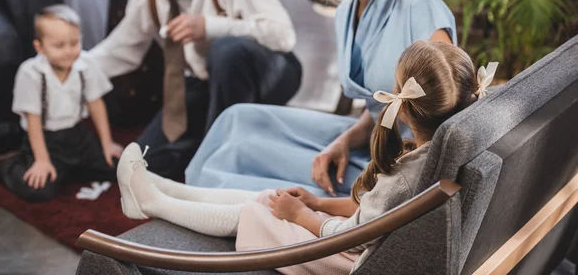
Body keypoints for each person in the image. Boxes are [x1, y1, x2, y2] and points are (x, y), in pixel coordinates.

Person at [117, 40, 496, 274]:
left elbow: (355, 235)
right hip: (354, 242)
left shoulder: (407, 177)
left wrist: (303, 217)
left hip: (339, 259)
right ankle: (160, 188)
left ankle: (152, 202)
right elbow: (375, 215)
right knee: (271, 197)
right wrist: (316, 203)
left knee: (255, 211)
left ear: (405, 106)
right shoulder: (441, 152)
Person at [185, 0, 456, 197]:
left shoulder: (417, 4)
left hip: (402, 162)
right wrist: (341, 142)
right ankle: (185, 195)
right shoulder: (347, 11)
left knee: (247, 159)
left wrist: (388, 181)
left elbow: (446, 119)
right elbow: (379, 112)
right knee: (238, 119)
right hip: (370, 137)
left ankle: (188, 204)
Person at [88, 0, 302, 180]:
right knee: (145, 167)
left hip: (269, 72)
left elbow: (283, 37)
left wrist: (211, 26)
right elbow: (120, 50)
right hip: (204, 82)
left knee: (228, 51)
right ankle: (209, 148)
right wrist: (68, 68)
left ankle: (223, 157)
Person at [1, 5, 124, 202]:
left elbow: (96, 104)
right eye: (59, 46)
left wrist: (107, 143)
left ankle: (69, 169)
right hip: (46, 139)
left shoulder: (86, 64)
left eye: (74, 43)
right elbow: (33, 120)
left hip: (78, 135)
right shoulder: (30, 73)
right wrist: (42, 160)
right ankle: (10, 166)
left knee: (117, 169)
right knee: (38, 190)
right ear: (39, 47)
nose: (68, 51)